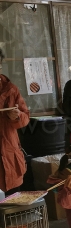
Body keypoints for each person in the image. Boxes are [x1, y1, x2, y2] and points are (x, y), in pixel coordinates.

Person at [0, 48, 30, 195]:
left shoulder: (11, 89)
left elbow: (26, 117)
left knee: (12, 204)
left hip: (9, 152)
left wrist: (17, 116)